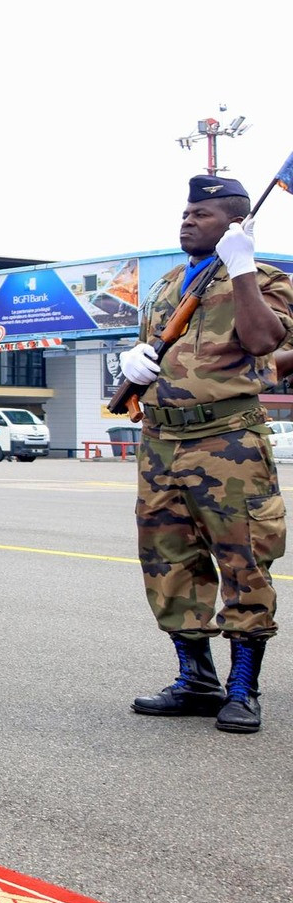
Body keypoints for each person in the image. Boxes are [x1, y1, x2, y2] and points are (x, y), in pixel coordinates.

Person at [119, 175, 292, 732]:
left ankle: (244, 687)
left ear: (236, 224)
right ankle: (195, 678)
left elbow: (265, 340)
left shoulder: (268, 280)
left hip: (228, 443)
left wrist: (241, 267)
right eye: (187, 211)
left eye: (204, 213)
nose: (189, 220)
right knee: (169, 562)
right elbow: (160, 354)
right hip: (161, 442)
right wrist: (134, 366)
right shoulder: (168, 285)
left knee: (244, 561)